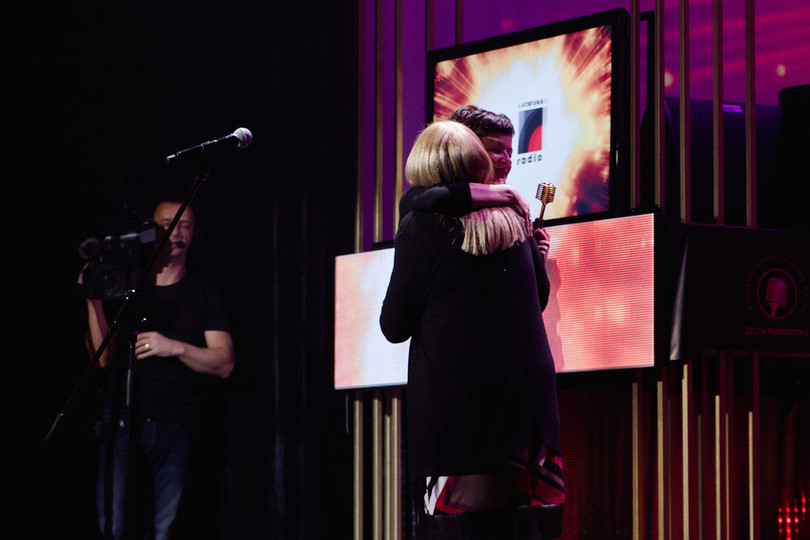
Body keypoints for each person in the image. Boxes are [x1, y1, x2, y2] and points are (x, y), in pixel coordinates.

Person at [380, 121, 564, 539]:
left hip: (463, 415)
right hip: (530, 412)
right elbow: (535, 300)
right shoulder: (516, 221)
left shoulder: (423, 226)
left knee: (462, 530)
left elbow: (394, 326)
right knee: (528, 528)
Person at [81, 199, 235, 540]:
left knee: (167, 528)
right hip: (123, 424)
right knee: (113, 525)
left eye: (184, 225)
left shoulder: (204, 292)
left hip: (176, 426)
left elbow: (224, 363)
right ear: (150, 230)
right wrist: (94, 302)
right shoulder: (128, 288)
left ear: (194, 235)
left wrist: (175, 347)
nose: (175, 232)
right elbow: (102, 360)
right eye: (166, 224)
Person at [399, 105, 551, 265]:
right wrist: (508, 194)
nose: (507, 160)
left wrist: (536, 261)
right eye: (496, 150)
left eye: (510, 153)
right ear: (464, 152)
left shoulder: (514, 218)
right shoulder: (430, 216)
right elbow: (421, 199)